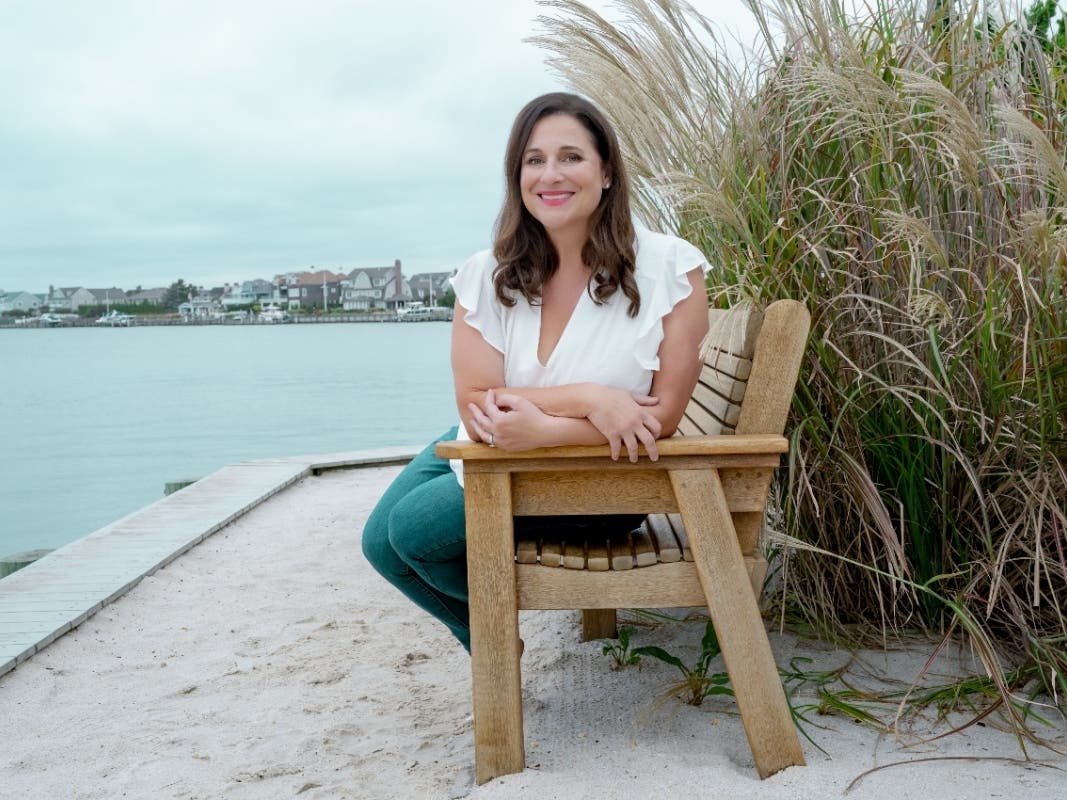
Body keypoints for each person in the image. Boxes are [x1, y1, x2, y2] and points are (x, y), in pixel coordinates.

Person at [362, 92, 710, 652]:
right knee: (378, 545)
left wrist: (548, 433)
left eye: (571, 156)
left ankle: (494, 643)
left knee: (412, 533)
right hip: (498, 446)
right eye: (534, 159)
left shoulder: (671, 267)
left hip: (597, 480)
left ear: (607, 172)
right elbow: (477, 399)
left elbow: (662, 417)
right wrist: (590, 398)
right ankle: (490, 638)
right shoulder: (488, 273)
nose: (551, 174)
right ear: (516, 176)